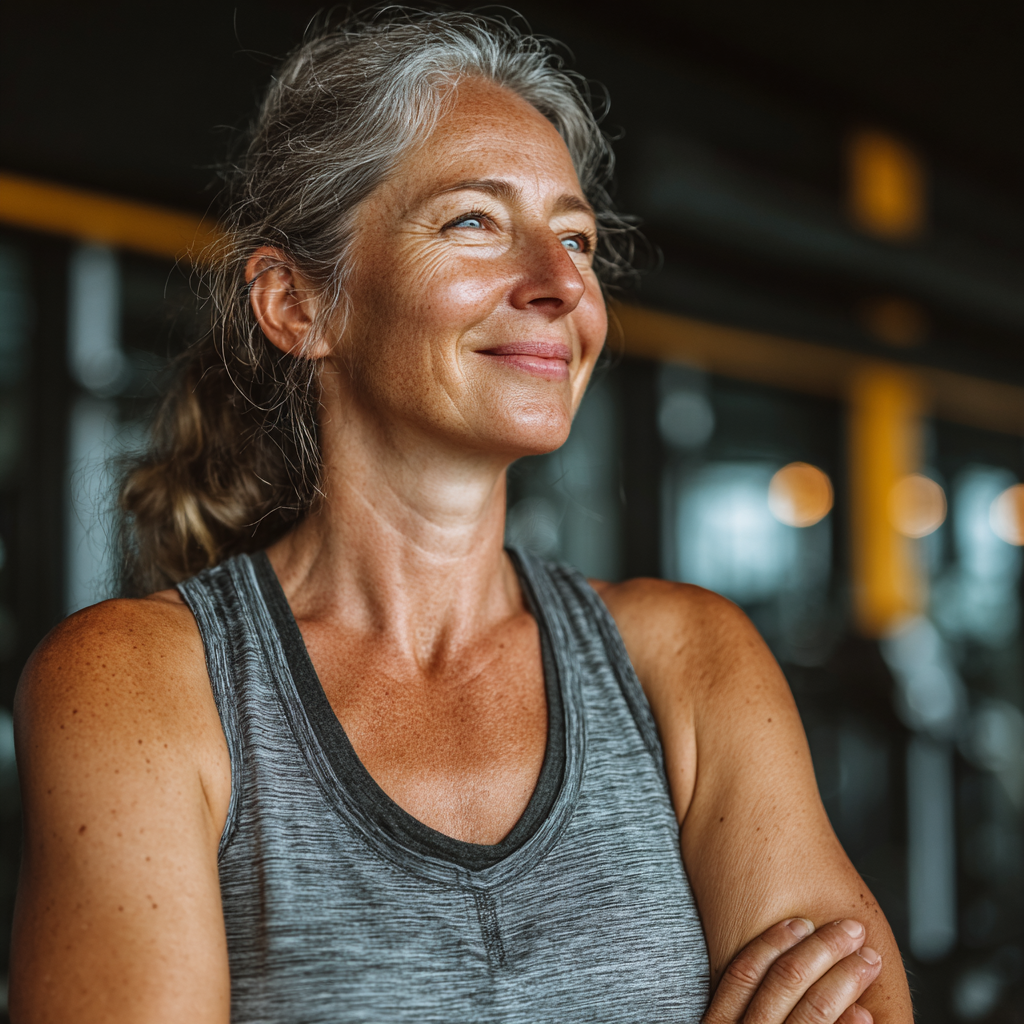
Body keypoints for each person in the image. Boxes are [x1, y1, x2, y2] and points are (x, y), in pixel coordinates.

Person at [10, 10, 912, 1023]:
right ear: (297, 303)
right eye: (475, 221)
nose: (563, 283)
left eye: (576, 238)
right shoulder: (138, 688)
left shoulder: (690, 660)